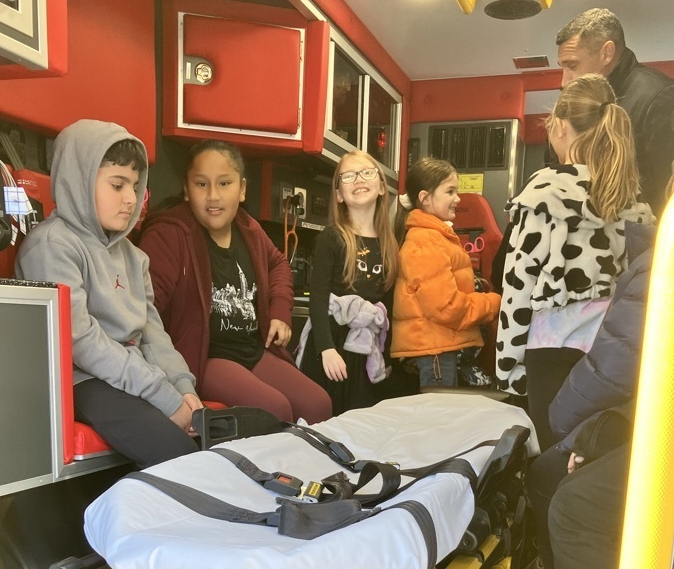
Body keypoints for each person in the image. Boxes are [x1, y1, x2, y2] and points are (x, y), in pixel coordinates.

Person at [499, 94, 674, 569]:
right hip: (636, 397)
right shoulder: (638, 212)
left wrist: (513, 380)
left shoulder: (546, 195)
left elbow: (520, 292)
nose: (673, 177)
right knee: (560, 474)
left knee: (571, 502)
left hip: (570, 365)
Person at [16, 120, 203, 469]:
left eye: (135, 185)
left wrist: (183, 388)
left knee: (208, 442)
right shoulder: (52, 245)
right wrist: (163, 396)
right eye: (117, 185)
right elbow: (82, 342)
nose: (131, 198)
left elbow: (153, 333)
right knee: (178, 454)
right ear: (80, 182)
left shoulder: (135, 256)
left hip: (130, 375)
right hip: (80, 379)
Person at [495, 74, 654, 448]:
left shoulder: (544, 193)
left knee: (553, 455)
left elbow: (518, 285)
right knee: (599, 453)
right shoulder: (635, 204)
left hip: (553, 346)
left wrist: (507, 366)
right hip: (612, 354)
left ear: (561, 127)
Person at [138, 141, 331, 425]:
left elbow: (278, 264)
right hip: (204, 359)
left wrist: (280, 310)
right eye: (201, 184)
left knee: (318, 404)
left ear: (242, 189)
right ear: (187, 190)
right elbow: (145, 309)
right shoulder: (168, 235)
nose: (213, 195)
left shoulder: (248, 228)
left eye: (224, 183)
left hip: (251, 351)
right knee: (274, 409)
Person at [555, 7, 674, 217]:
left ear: (607, 53)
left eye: (572, 65)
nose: (564, 81)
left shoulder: (661, 99)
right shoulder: (583, 106)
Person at [297, 150, 399, 415]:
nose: (359, 179)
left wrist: (386, 357)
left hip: (366, 349)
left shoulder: (389, 245)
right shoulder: (331, 238)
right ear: (339, 194)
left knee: (361, 420)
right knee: (329, 420)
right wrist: (326, 349)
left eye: (366, 172)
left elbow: (388, 306)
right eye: (349, 176)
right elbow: (318, 299)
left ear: (381, 188)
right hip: (332, 344)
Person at [391, 158, 501, 390]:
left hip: (438, 347)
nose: (458, 198)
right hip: (436, 352)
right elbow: (447, 307)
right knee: (439, 411)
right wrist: (494, 303)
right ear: (425, 198)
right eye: (450, 191)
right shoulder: (428, 241)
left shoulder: (436, 237)